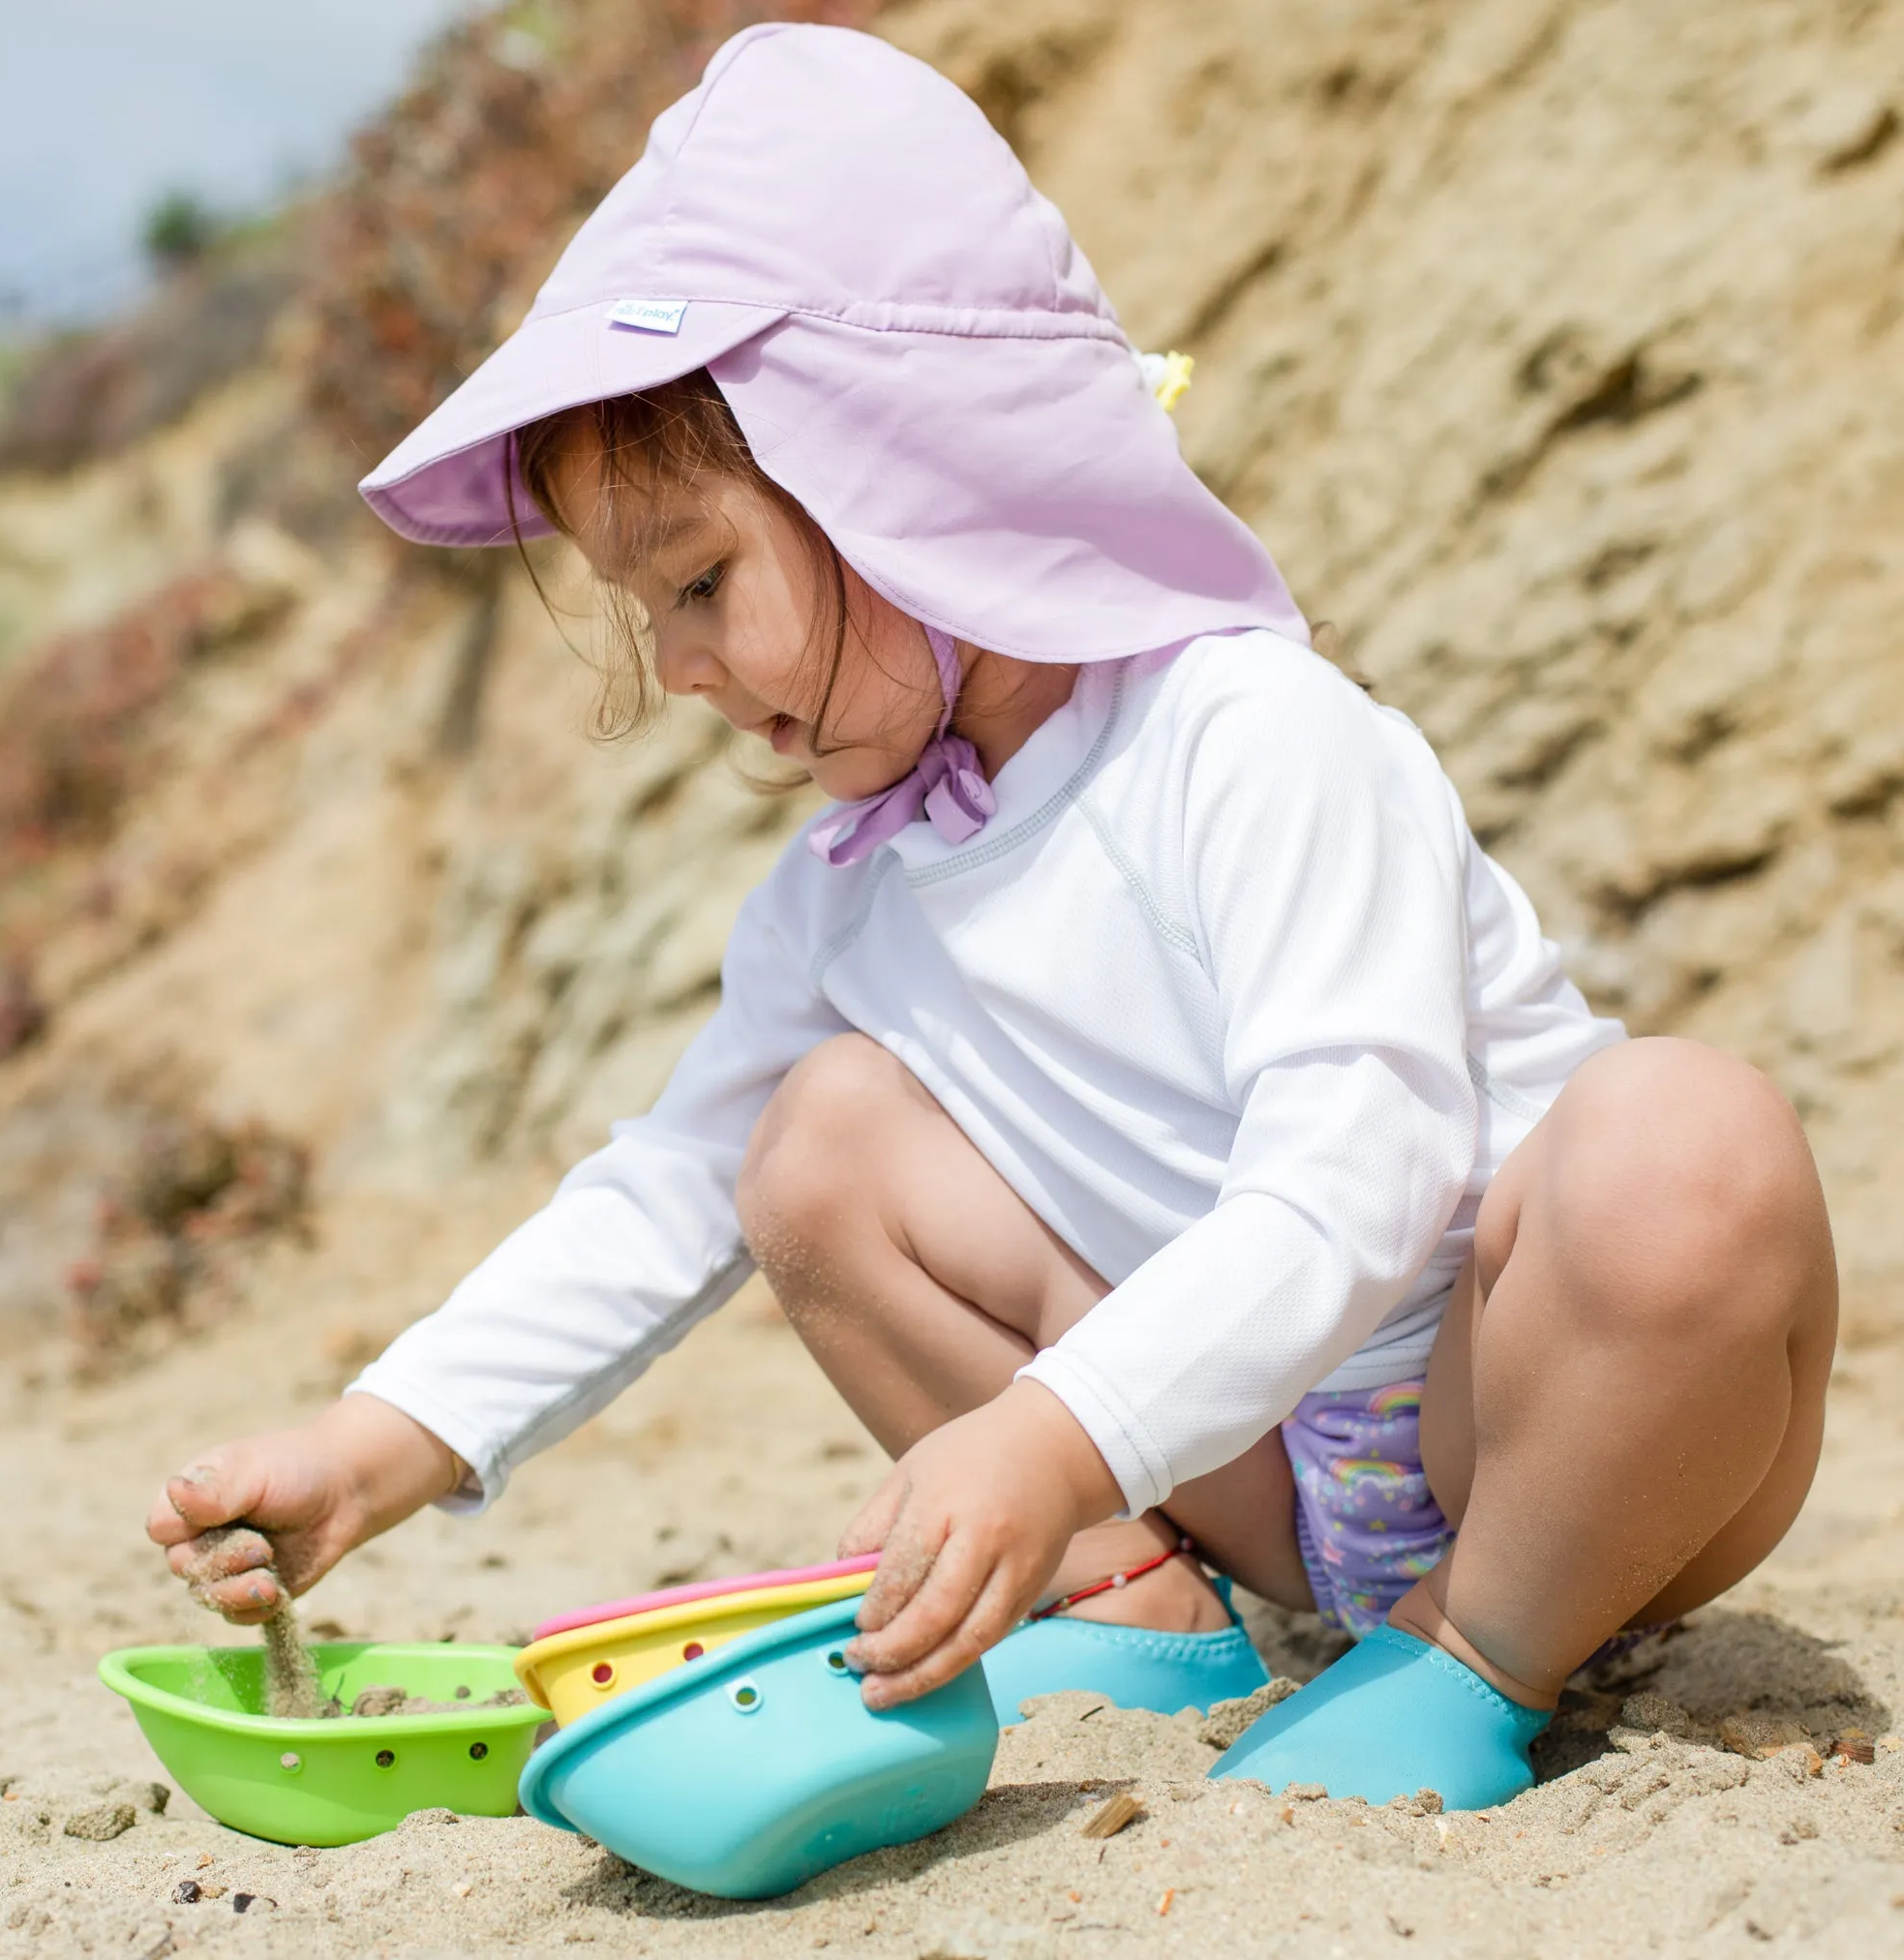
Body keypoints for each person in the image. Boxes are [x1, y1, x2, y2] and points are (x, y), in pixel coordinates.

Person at [147, 24, 1835, 1809]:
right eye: (652, 619)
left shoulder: (1248, 734)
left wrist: (1045, 1436)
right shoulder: (854, 886)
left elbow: (1364, 1160)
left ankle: (1482, 1647)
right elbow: (661, 1190)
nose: (690, 670)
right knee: (812, 1151)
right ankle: (1133, 1592)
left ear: (904, 467)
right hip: (1249, 1471)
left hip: (1553, 1427)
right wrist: (383, 1441)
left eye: (702, 582)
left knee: (1688, 1143)